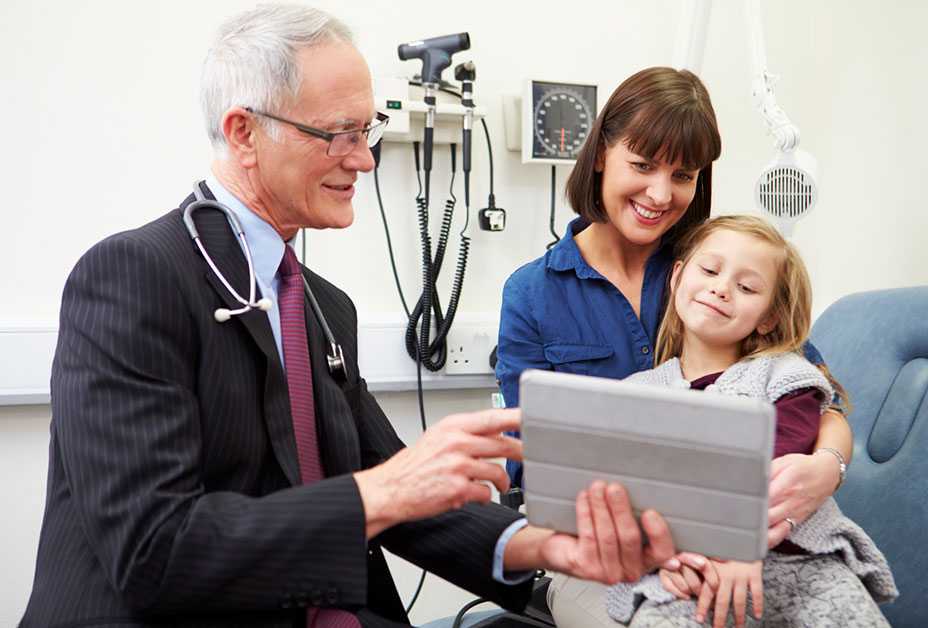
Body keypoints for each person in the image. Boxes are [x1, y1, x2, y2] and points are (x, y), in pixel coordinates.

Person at [20, 6, 681, 628]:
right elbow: (154, 552)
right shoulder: (135, 277)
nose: (364, 158)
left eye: (368, 132)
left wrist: (547, 549)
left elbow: (401, 491)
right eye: (339, 133)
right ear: (244, 132)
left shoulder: (321, 308)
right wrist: (381, 492)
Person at [495, 67, 854, 549]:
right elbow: (530, 456)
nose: (661, 195)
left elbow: (817, 397)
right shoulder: (532, 294)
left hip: (739, 540)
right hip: (604, 545)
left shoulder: (712, 275)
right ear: (602, 153)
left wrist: (827, 466)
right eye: (643, 165)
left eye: (682, 175)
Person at [549, 215, 897, 627]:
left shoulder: (783, 373)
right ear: (677, 277)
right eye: (710, 270)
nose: (721, 288)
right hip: (687, 573)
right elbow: (618, 490)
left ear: (768, 317)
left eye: (746, 287)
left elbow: (783, 448)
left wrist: (738, 544)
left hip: (804, 565)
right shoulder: (634, 393)